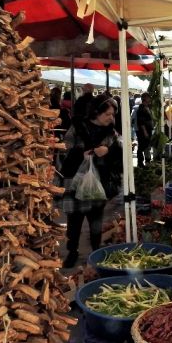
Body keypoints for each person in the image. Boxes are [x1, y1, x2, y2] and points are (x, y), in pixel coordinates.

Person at [60, 95, 122, 268]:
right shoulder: (78, 127)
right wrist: (81, 153)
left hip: (98, 184)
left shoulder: (111, 132)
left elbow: (120, 153)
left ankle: (96, 253)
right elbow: (64, 149)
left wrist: (108, 151)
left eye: (112, 114)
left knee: (96, 221)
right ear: (96, 113)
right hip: (76, 182)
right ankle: (72, 252)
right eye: (108, 114)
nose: (111, 118)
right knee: (74, 221)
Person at [136, 92, 154, 167]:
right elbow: (141, 122)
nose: (150, 98)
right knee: (141, 146)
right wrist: (145, 132)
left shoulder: (148, 107)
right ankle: (140, 162)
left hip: (148, 130)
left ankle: (147, 161)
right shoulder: (141, 108)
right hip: (143, 131)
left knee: (146, 145)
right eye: (148, 97)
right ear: (145, 98)